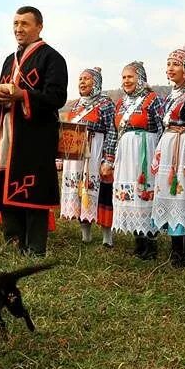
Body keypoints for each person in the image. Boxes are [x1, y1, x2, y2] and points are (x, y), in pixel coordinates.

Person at [0, 6, 68, 256]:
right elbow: (4, 96)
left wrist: (23, 94)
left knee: (31, 189)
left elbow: (56, 97)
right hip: (7, 133)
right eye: (15, 23)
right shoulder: (8, 60)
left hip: (34, 136)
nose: (18, 29)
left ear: (39, 26)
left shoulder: (52, 58)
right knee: (6, 184)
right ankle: (13, 242)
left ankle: (34, 248)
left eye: (24, 24)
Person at [151, 49, 185, 267]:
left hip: (183, 149)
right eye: (169, 64)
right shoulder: (169, 96)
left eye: (176, 64)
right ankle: (175, 251)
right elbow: (163, 127)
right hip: (168, 145)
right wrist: (158, 153)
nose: (170, 68)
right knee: (169, 197)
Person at [58, 67, 118, 247]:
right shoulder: (75, 105)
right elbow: (66, 132)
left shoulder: (106, 104)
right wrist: (61, 157)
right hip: (76, 156)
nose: (82, 82)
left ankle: (107, 237)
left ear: (97, 82)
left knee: (103, 193)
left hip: (95, 153)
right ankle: (86, 234)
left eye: (86, 79)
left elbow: (112, 132)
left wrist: (108, 158)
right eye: (80, 79)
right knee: (79, 191)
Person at [112, 61, 165, 260]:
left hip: (146, 149)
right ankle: (138, 240)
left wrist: (160, 155)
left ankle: (151, 243)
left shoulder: (152, 99)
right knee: (131, 194)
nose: (126, 81)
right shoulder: (121, 103)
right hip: (126, 153)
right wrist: (109, 159)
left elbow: (161, 127)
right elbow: (112, 131)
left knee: (145, 193)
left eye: (130, 77)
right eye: (124, 77)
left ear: (140, 78)